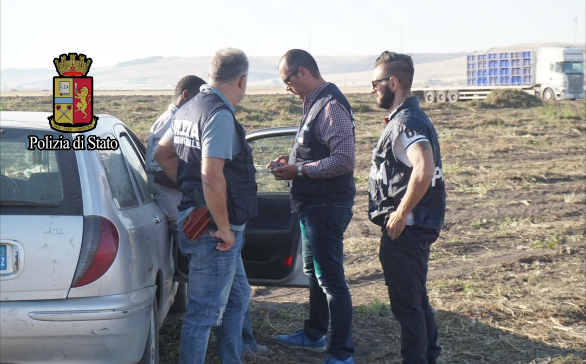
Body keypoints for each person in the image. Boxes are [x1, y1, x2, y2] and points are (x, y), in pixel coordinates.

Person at [155, 48, 257, 364]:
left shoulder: (188, 109)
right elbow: (212, 177)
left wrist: (191, 188)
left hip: (195, 220)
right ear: (242, 79)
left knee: (239, 296)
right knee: (203, 315)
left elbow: (163, 154)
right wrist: (224, 229)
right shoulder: (218, 114)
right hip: (214, 233)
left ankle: (232, 358)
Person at [270, 49, 356, 364]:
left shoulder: (331, 105)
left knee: (331, 279)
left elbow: (345, 160)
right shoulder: (316, 104)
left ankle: (342, 354)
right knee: (316, 274)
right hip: (313, 205)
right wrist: (290, 162)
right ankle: (315, 334)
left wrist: (301, 171)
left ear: (302, 72)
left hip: (326, 206)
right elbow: (317, 151)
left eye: (287, 80)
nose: (286, 88)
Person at [368, 51, 446, 364]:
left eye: (376, 82)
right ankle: (429, 355)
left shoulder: (406, 122)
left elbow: (424, 168)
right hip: (411, 228)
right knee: (415, 297)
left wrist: (400, 215)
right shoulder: (409, 118)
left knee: (407, 304)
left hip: (406, 230)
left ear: (394, 82)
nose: (373, 89)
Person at [145, 75, 206, 249]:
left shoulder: (181, 120)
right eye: (199, 100)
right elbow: (159, 173)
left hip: (185, 215)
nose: (202, 107)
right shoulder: (170, 122)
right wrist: (198, 191)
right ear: (186, 95)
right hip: (179, 216)